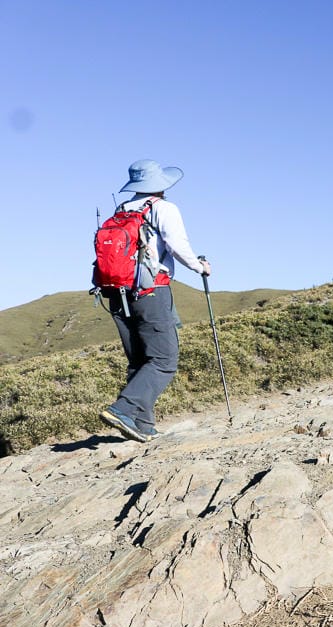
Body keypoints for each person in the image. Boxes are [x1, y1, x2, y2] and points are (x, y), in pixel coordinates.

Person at [98, 159, 211, 443]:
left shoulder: (121, 210)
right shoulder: (163, 208)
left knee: (139, 359)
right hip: (150, 291)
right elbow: (177, 245)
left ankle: (142, 423)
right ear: (160, 184)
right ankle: (123, 409)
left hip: (115, 292)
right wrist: (200, 267)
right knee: (163, 359)